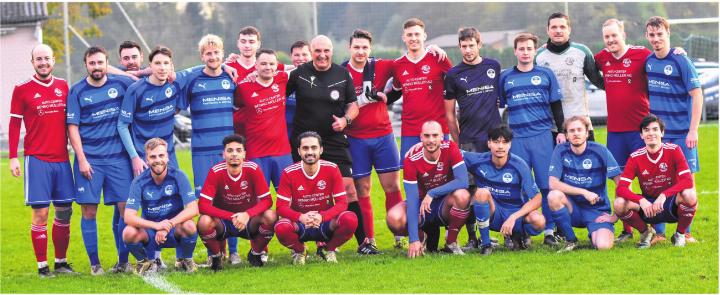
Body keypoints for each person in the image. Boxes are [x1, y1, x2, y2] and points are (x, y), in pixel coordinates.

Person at [594, 18, 685, 243]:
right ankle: (629, 229)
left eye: (614, 35)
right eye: (607, 37)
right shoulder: (602, 57)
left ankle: (660, 231)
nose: (611, 40)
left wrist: (675, 51)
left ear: (623, 33)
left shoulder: (641, 53)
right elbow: (582, 60)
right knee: (619, 180)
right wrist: (549, 46)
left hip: (640, 131)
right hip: (615, 131)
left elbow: (661, 53)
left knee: (655, 178)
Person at [285, 35, 366, 250]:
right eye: (317, 51)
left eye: (326, 51)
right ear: (311, 52)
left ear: (332, 51)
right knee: (308, 193)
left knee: (349, 190)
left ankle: (364, 243)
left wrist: (345, 120)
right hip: (305, 145)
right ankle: (302, 243)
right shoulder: (298, 74)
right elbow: (275, 92)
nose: (322, 55)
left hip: (333, 141)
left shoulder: (342, 74)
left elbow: (353, 105)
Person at [8, 44, 75, 277]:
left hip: (62, 160)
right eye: (39, 59)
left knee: (65, 211)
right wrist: (13, 157)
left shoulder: (64, 86)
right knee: (41, 214)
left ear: (53, 60)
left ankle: (61, 262)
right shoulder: (22, 89)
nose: (43, 62)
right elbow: (15, 124)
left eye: (47, 58)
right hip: (37, 160)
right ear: (32, 62)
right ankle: (42, 267)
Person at [66, 46, 135, 275]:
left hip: (118, 160)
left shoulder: (121, 84)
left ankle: (123, 261)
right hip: (91, 162)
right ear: (85, 65)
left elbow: (140, 79)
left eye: (100, 63)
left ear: (108, 64)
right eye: (92, 63)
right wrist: (82, 160)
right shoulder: (77, 91)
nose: (96, 67)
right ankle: (95, 264)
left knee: (127, 210)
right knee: (89, 212)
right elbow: (72, 128)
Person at [499, 32, 566, 246]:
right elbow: (501, 106)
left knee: (546, 185)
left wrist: (562, 130)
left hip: (542, 136)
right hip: (517, 138)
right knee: (518, 186)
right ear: (515, 51)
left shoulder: (546, 74)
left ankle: (548, 230)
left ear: (535, 50)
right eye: (521, 48)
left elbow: (556, 105)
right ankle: (520, 231)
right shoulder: (506, 77)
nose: (525, 52)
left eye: (529, 48)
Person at [342, 29, 404, 254]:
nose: (360, 51)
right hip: (356, 139)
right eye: (356, 47)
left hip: (384, 136)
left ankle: (399, 233)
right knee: (363, 189)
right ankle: (369, 239)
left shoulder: (382, 66)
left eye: (364, 48)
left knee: (392, 186)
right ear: (350, 47)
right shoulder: (340, 72)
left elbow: (405, 68)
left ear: (370, 49)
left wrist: (391, 94)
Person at [444, 26, 503, 250]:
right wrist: (458, 142)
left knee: (496, 184)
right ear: (459, 47)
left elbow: (500, 98)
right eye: (464, 46)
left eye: (471, 45)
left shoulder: (493, 66)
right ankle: (472, 237)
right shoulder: (453, 75)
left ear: (480, 44)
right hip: (469, 140)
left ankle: (499, 231)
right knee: (469, 189)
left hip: (495, 139)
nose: (468, 50)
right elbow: (449, 114)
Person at [607, 115, 697, 247]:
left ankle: (680, 234)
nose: (651, 133)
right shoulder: (635, 157)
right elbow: (621, 188)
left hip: (670, 203)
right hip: (648, 206)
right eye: (646, 130)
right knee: (619, 203)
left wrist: (664, 195)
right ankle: (646, 233)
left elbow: (687, 181)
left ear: (662, 132)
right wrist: (641, 200)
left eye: (655, 129)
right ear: (641, 135)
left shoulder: (674, 150)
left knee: (690, 194)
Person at [386, 121, 471, 257]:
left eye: (435, 135)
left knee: (463, 196)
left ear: (442, 136)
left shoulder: (450, 148)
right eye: (427, 136)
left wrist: (432, 193)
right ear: (421, 137)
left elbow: (463, 181)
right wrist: (413, 239)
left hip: (443, 203)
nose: (431, 140)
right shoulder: (411, 159)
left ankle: (451, 243)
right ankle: (421, 238)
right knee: (393, 218)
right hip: (421, 205)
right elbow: (413, 201)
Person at [274, 132, 359, 265]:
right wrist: (301, 217)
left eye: (314, 148)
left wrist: (322, 216)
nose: (310, 152)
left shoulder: (332, 169)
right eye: (305, 148)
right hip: (301, 224)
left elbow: (342, 203)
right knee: (281, 227)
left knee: (350, 219)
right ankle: (300, 251)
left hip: (325, 223)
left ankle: (328, 249)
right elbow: (280, 207)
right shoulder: (289, 172)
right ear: (299, 151)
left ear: (321, 149)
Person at [197, 135, 276, 270]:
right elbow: (203, 205)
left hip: (248, 222)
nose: (234, 154)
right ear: (224, 154)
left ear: (244, 153)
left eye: (239, 150)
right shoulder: (216, 171)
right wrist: (231, 216)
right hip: (224, 223)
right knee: (204, 222)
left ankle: (255, 254)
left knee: (271, 216)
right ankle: (216, 257)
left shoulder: (253, 168)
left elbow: (267, 200)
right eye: (230, 150)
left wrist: (247, 214)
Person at [122, 138, 199, 275]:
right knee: (128, 232)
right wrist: (156, 226)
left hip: (174, 229)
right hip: (151, 231)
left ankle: (185, 259)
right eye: (153, 156)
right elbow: (128, 217)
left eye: (161, 155)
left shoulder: (179, 176)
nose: (157, 160)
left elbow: (193, 209)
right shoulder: (138, 181)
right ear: (147, 160)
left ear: (167, 157)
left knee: (189, 225)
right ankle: (145, 261)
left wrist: (168, 225)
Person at [464, 125, 545, 255]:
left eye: (505, 142)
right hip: (493, 213)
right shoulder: (478, 160)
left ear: (510, 144)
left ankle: (520, 234)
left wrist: (513, 217)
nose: (500, 146)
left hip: (515, 213)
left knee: (539, 221)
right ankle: (486, 245)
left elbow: (538, 198)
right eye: (496, 142)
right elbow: (452, 152)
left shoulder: (519, 165)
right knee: (481, 193)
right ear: (489, 143)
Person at [547, 116, 621, 252]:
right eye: (572, 131)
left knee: (603, 247)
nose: (576, 133)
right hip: (572, 208)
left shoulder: (600, 151)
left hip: (597, 210)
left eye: (579, 130)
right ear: (567, 135)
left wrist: (615, 215)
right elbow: (553, 183)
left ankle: (595, 232)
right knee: (553, 196)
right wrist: (584, 192)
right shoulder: (560, 150)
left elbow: (619, 182)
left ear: (587, 133)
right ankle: (570, 240)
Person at [536, 12, 605, 142]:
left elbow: (598, 81)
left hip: (581, 125)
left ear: (569, 30)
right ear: (547, 30)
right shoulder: (538, 56)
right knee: (557, 163)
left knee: (590, 162)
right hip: (552, 128)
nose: (558, 31)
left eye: (562, 27)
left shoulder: (582, 52)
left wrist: (624, 87)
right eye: (554, 27)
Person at [392, 18, 453, 157]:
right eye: (409, 35)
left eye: (417, 34)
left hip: (437, 129)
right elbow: (394, 91)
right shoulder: (397, 65)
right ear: (404, 37)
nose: (413, 38)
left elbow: (456, 83)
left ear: (424, 36)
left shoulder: (439, 58)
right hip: (410, 130)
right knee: (412, 175)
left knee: (440, 175)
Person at [118, 46, 183, 176]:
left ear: (171, 66)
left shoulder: (176, 85)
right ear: (150, 66)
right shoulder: (135, 90)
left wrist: (225, 66)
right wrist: (134, 157)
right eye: (157, 63)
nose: (162, 67)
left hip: (169, 156)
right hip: (144, 158)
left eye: (166, 63)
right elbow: (122, 125)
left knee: (173, 195)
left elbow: (199, 70)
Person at [235, 48, 293, 190]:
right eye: (263, 64)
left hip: (282, 152)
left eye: (272, 64)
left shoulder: (283, 79)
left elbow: (303, 65)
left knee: (288, 199)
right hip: (256, 154)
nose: (268, 67)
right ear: (256, 65)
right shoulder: (243, 86)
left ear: (277, 65)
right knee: (258, 201)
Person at [286, 40, 311, 141]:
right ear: (291, 56)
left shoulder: (321, 78)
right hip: (288, 134)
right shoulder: (284, 77)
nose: (300, 58)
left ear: (311, 55)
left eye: (304, 54)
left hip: (311, 134)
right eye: (296, 55)